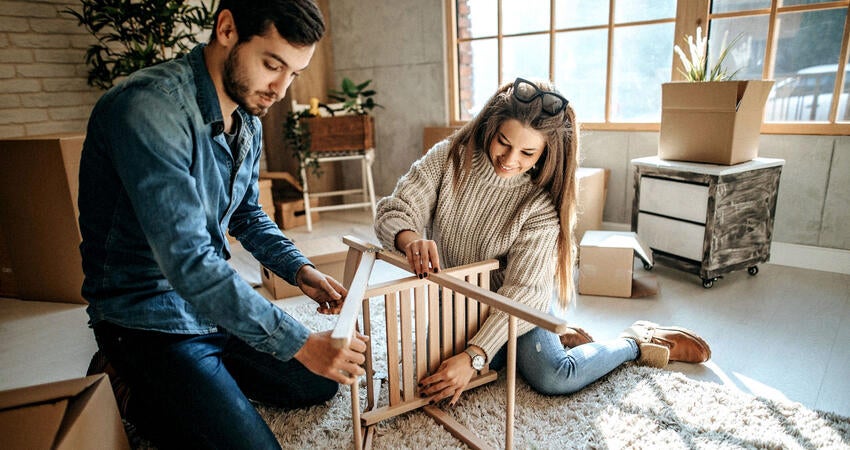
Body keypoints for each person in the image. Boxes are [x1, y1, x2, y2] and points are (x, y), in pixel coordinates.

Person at [77, 1, 367, 448]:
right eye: (273, 65)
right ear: (227, 28)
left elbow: (247, 214)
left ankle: (196, 384)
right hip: (145, 318)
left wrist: (301, 271)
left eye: (294, 74)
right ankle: (132, 385)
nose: (280, 90)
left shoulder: (245, 116)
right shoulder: (148, 109)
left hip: (211, 309)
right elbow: (191, 263)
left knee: (319, 382)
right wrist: (301, 343)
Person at [374, 77, 711, 406]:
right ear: (491, 127)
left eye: (527, 152)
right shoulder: (448, 157)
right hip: (463, 301)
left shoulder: (539, 207)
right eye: (503, 142)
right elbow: (394, 208)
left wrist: (475, 356)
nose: (509, 159)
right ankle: (558, 336)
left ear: (545, 154)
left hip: (521, 305)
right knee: (433, 379)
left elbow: (522, 295)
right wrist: (410, 238)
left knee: (553, 375)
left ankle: (636, 342)